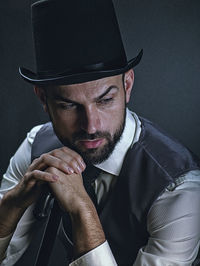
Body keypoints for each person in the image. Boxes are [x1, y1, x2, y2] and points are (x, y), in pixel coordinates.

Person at [0, 0, 200, 265]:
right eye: (68, 105)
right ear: (43, 99)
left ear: (127, 85)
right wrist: (12, 205)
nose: (91, 126)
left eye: (105, 100)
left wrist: (84, 212)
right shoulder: (37, 145)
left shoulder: (180, 189)